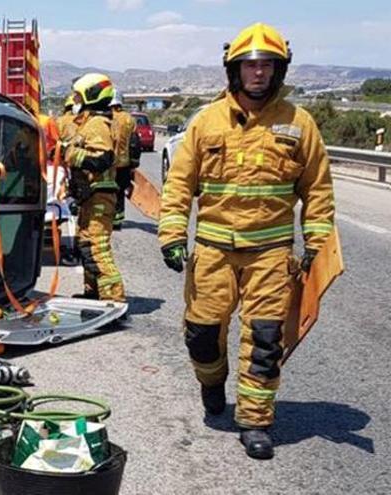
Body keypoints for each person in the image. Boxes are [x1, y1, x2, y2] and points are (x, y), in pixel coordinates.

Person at [158, 23, 335, 459]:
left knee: (264, 339)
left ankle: (255, 420)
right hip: (214, 253)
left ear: (279, 70)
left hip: (272, 256)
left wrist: (316, 240)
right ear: (234, 70)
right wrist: (172, 234)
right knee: (202, 334)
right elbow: (179, 184)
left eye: (267, 64)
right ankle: (212, 382)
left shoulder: (299, 123)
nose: (259, 72)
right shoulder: (206, 122)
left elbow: (318, 189)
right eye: (250, 65)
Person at [58, 73, 125, 302]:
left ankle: (114, 300)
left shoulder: (97, 124)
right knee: (85, 244)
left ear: (91, 95)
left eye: (78, 96)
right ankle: (93, 292)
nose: (75, 101)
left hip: (99, 195)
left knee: (97, 248)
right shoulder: (91, 121)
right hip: (90, 195)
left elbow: (101, 158)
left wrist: (69, 154)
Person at [108, 90, 141, 229]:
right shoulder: (129, 119)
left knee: (107, 193)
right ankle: (118, 220)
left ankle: (108, 218)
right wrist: (134, 163)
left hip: (108, 163)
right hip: (124, 163)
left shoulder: (106, 118)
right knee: (120, 192)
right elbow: (134, 142)